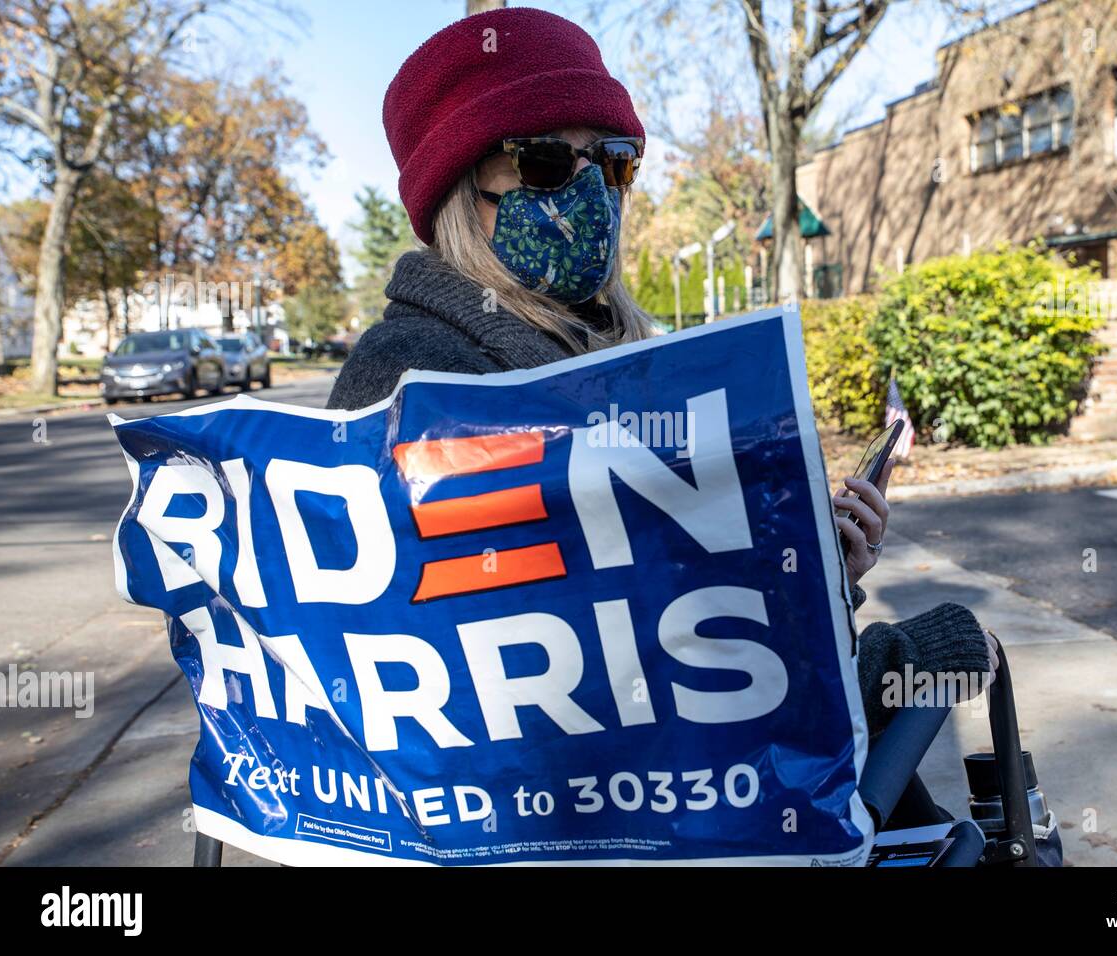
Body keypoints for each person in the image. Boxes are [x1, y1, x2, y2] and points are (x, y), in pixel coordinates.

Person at [328, 6, 995, 735]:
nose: (590, 192)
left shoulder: (624, 362)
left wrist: (813, 569)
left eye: (611, 160)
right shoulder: (406, 379)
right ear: (461, 192)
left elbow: (681, 615)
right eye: (544, 161)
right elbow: (549, 688)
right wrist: (892, 664)